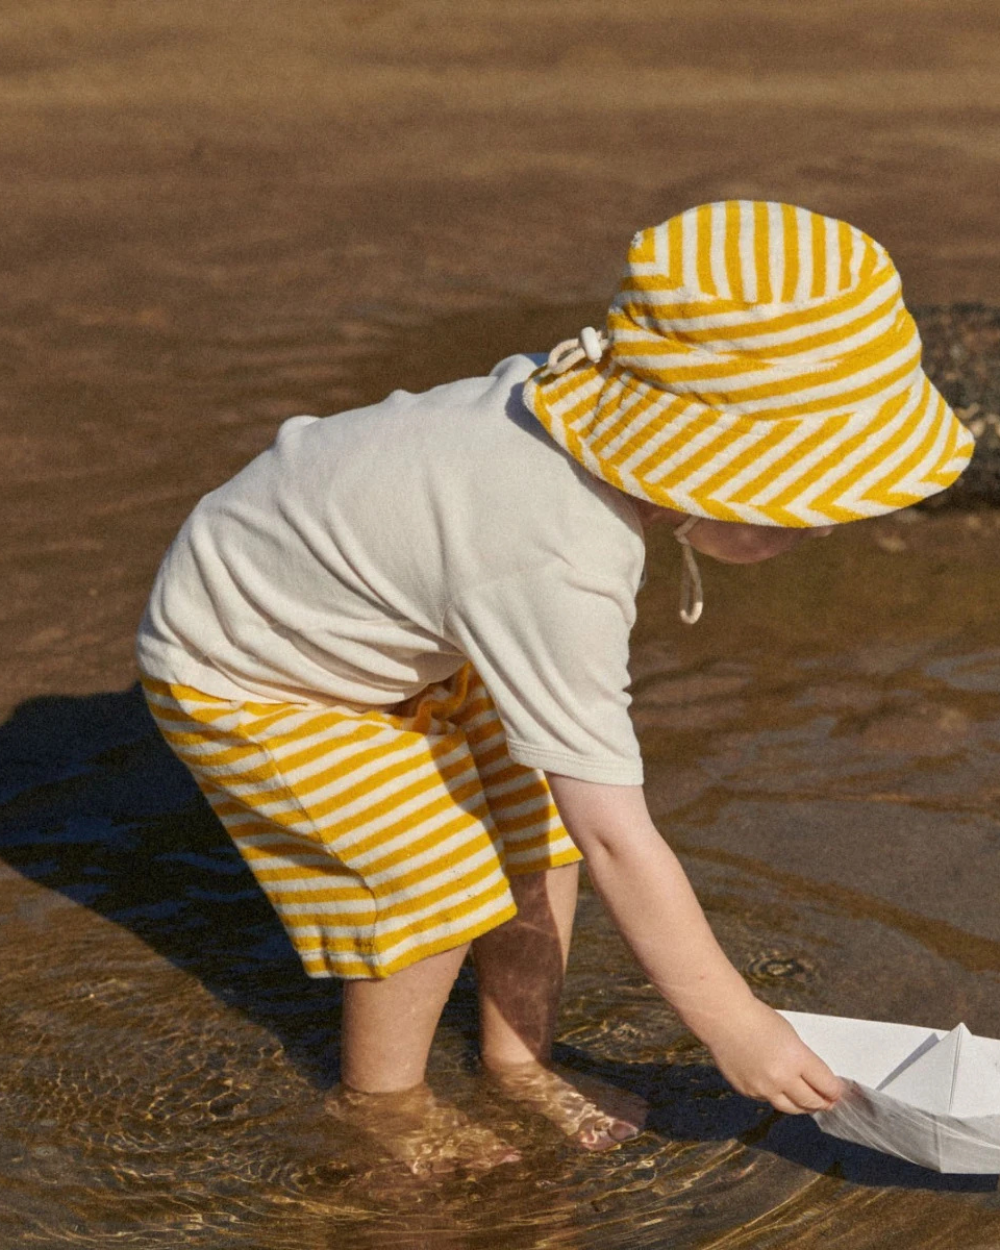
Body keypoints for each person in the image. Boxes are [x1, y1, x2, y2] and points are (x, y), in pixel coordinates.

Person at [136, 200, 973, 1173]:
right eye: (802, 495)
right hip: (251, 663)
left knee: (537, 820)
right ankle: (380, 1101)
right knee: (427, 876)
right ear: (698, 457)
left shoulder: (580, 403)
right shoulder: (556, 559)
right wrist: (733, 1021)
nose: (820, 524)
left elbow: (579, 825)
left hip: (387, 622)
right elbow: (619, 834)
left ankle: (515, 1060)